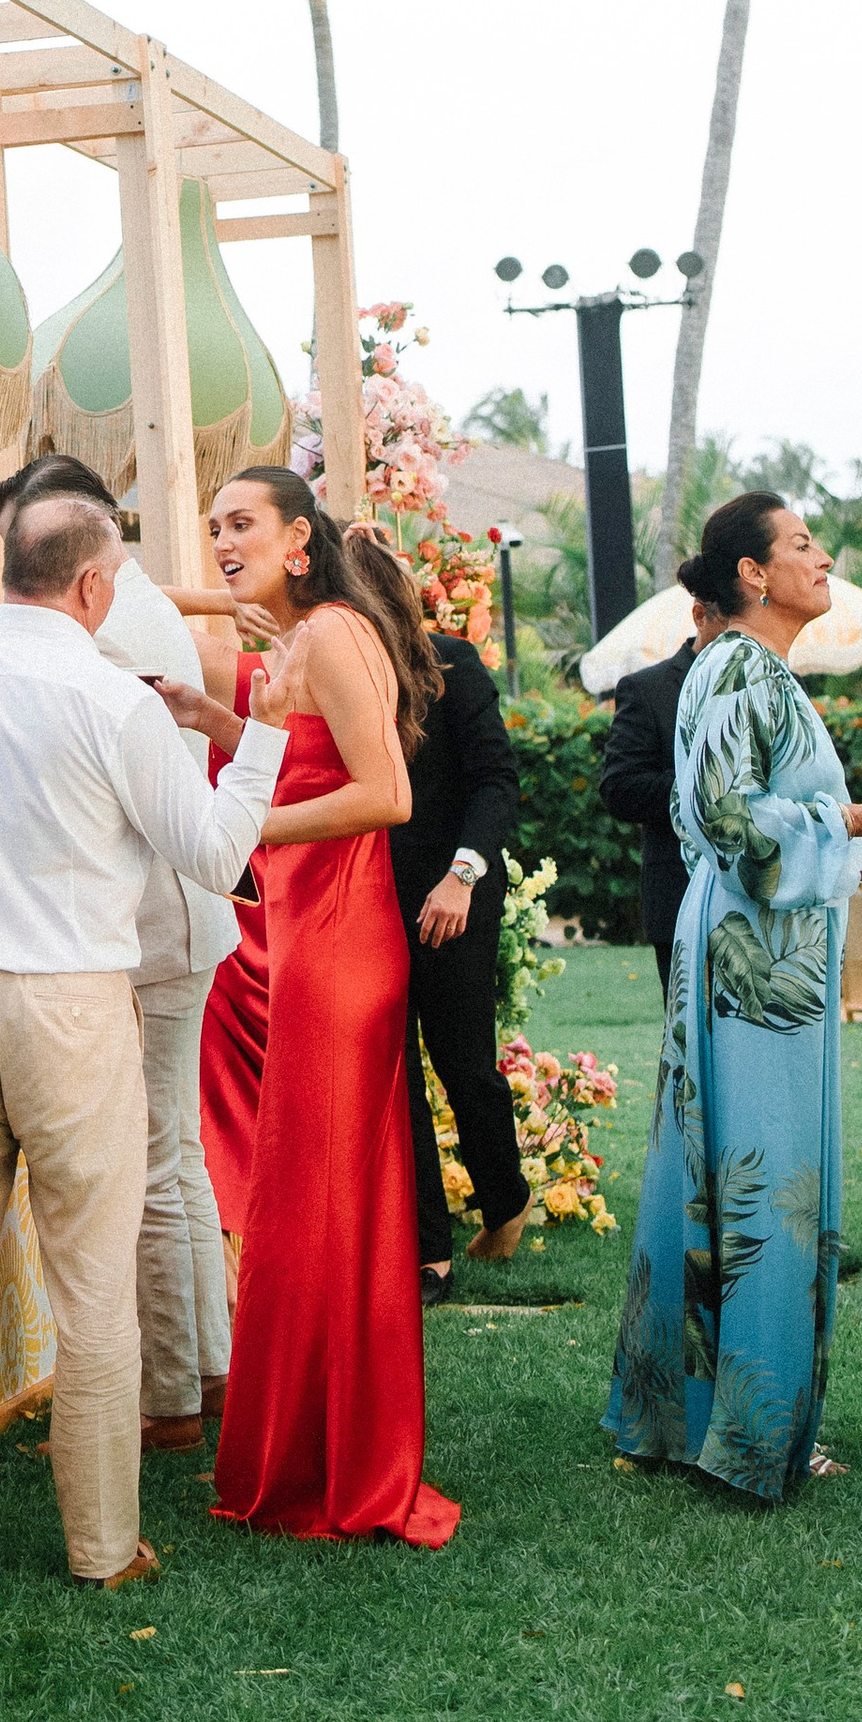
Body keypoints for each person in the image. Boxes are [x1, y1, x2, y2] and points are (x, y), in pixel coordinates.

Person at [0, 485, 287, 1590]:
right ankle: (98, 1546)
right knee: (89, 1281)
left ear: (7, 575)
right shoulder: (113, 701)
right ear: (91, 585)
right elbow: (215, 856)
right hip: (72, 1003)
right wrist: (263, 737)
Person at [156, 465, 460, 1548]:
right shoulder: (291, 645)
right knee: (307, 1205)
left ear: (298, 540)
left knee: (326, 1204)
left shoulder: (331, 633)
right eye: (214, 525)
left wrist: (243, 837)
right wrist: (211, 719)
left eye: (240, 524)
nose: (222, 539)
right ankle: (308, 1449)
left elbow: (387, 795)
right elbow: (295, 767)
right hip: (302, 932)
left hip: (340, 940)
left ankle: (344, 1468)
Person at [602, 493, 862, 1501]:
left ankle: (695, 1417)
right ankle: (753, 1434)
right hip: (759, 959)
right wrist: (856, 817)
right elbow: (731, 819)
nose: (819, 556)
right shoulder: (742, 666)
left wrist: (833, 833)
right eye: (798, 544)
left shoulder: (736, 667)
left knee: (718, 1173)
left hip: (747, 942)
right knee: (763, 1185)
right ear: (750, 572)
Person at [0, 455, 234, 1452]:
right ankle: (203, 1371)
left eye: (27, 545)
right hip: (171, 909)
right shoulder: (131, 601)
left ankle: (166, 1394)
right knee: (174, 1149)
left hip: (153, 915)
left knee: (150, 1159)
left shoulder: (109, 628)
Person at [344, 522, 531, 1293]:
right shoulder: (340, 676)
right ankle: (429, 1248)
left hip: (453, 894)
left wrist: (462, 875)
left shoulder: (452, 663)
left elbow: (496, 782)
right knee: (393, 1075)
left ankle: (505, 1198)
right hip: (363, 901)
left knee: (463, 1065)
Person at [598, 610, 708, 996]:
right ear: (700, 614)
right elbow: (620, 787)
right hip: (681, 893)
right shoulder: (649, 688)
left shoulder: (774, 683)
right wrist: (706, 789)